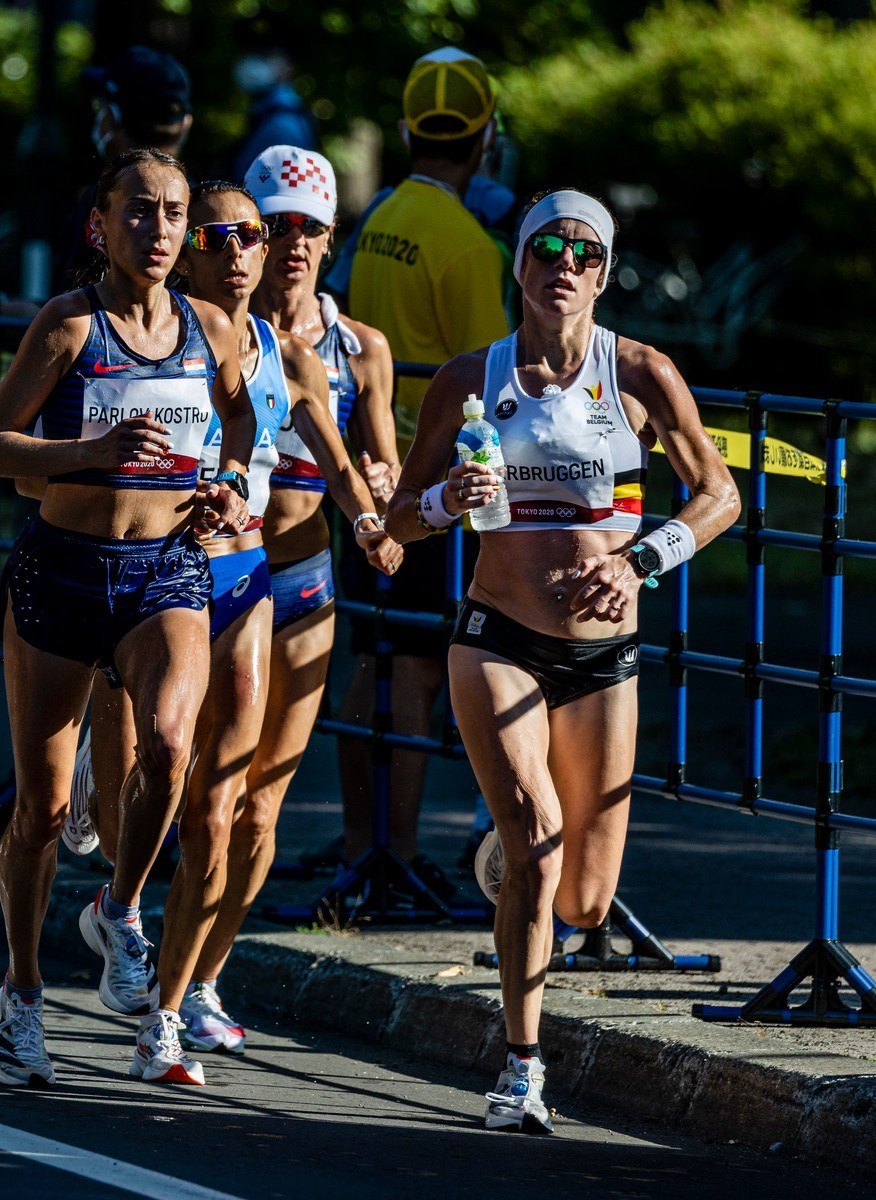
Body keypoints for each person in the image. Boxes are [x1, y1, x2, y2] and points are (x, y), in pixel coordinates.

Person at [385, 189, 739, 1132]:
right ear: (520, 263)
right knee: (543, 843)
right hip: (496, 635)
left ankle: (501, 856)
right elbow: (392, 521)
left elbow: (719, 494)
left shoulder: (642, 373)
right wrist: (444, 504)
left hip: (602, 654)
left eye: (585, 253)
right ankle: (522, 1068)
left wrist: (642, 562)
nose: (565, 266)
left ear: (606, 272)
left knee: (584, 900)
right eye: (547, 248)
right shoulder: (471, 379)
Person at [73, 181, 401, 1072]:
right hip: (155, 578)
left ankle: (169, 1012)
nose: (245, 251)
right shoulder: (156, 336)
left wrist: (376, 524)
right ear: (191, 249)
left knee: (225, 811)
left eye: (255, 235)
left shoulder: (289, 355)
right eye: (223, 235)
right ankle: (120, 893)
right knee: (160, 775)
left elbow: (342, 466)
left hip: (254, 576)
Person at [0, 149, 253, 1089]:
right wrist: (90, 450)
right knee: (45, 812)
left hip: (166, 568)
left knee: (172, 747)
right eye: (140, 213)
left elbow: (242, 426)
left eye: (174, 215)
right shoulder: (66, 326)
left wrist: (230, 487)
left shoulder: (210, 326)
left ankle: (121, 910)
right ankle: (22, 994)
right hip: (63, 572)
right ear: (101, 224)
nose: (161, 231)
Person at [177, 145, 405, 1047]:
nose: (296, 244)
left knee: (260, 802)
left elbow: (378, 459)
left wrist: (385, 488)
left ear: (332, 238)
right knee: (193, 788)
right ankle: (142, 924)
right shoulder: (208, 328)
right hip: (205, 576)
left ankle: (201, 982)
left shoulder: (359, 350)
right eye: (279, 227)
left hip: (304, 583)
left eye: (313, 228)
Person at [337, 45, 513, 898]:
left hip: (369, 468)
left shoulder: (382, 217)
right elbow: (495, 379)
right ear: (486, 138)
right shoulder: (470, 245)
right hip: (434, 483)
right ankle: (399, 855)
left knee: (369, 657)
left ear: (409, 129)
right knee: (411, 668)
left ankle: (358, 844)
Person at [49, 47, 194, 294]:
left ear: (112, 117)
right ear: (185, 123)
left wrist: (33, 316)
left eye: (101, 105)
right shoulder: (200, 200)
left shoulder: (107, 199)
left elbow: (81, 303)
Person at [228, 46, 319, 184]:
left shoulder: (281, 125)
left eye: (268, 57)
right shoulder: (271, 115)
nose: (257, 63)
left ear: (288, 68)